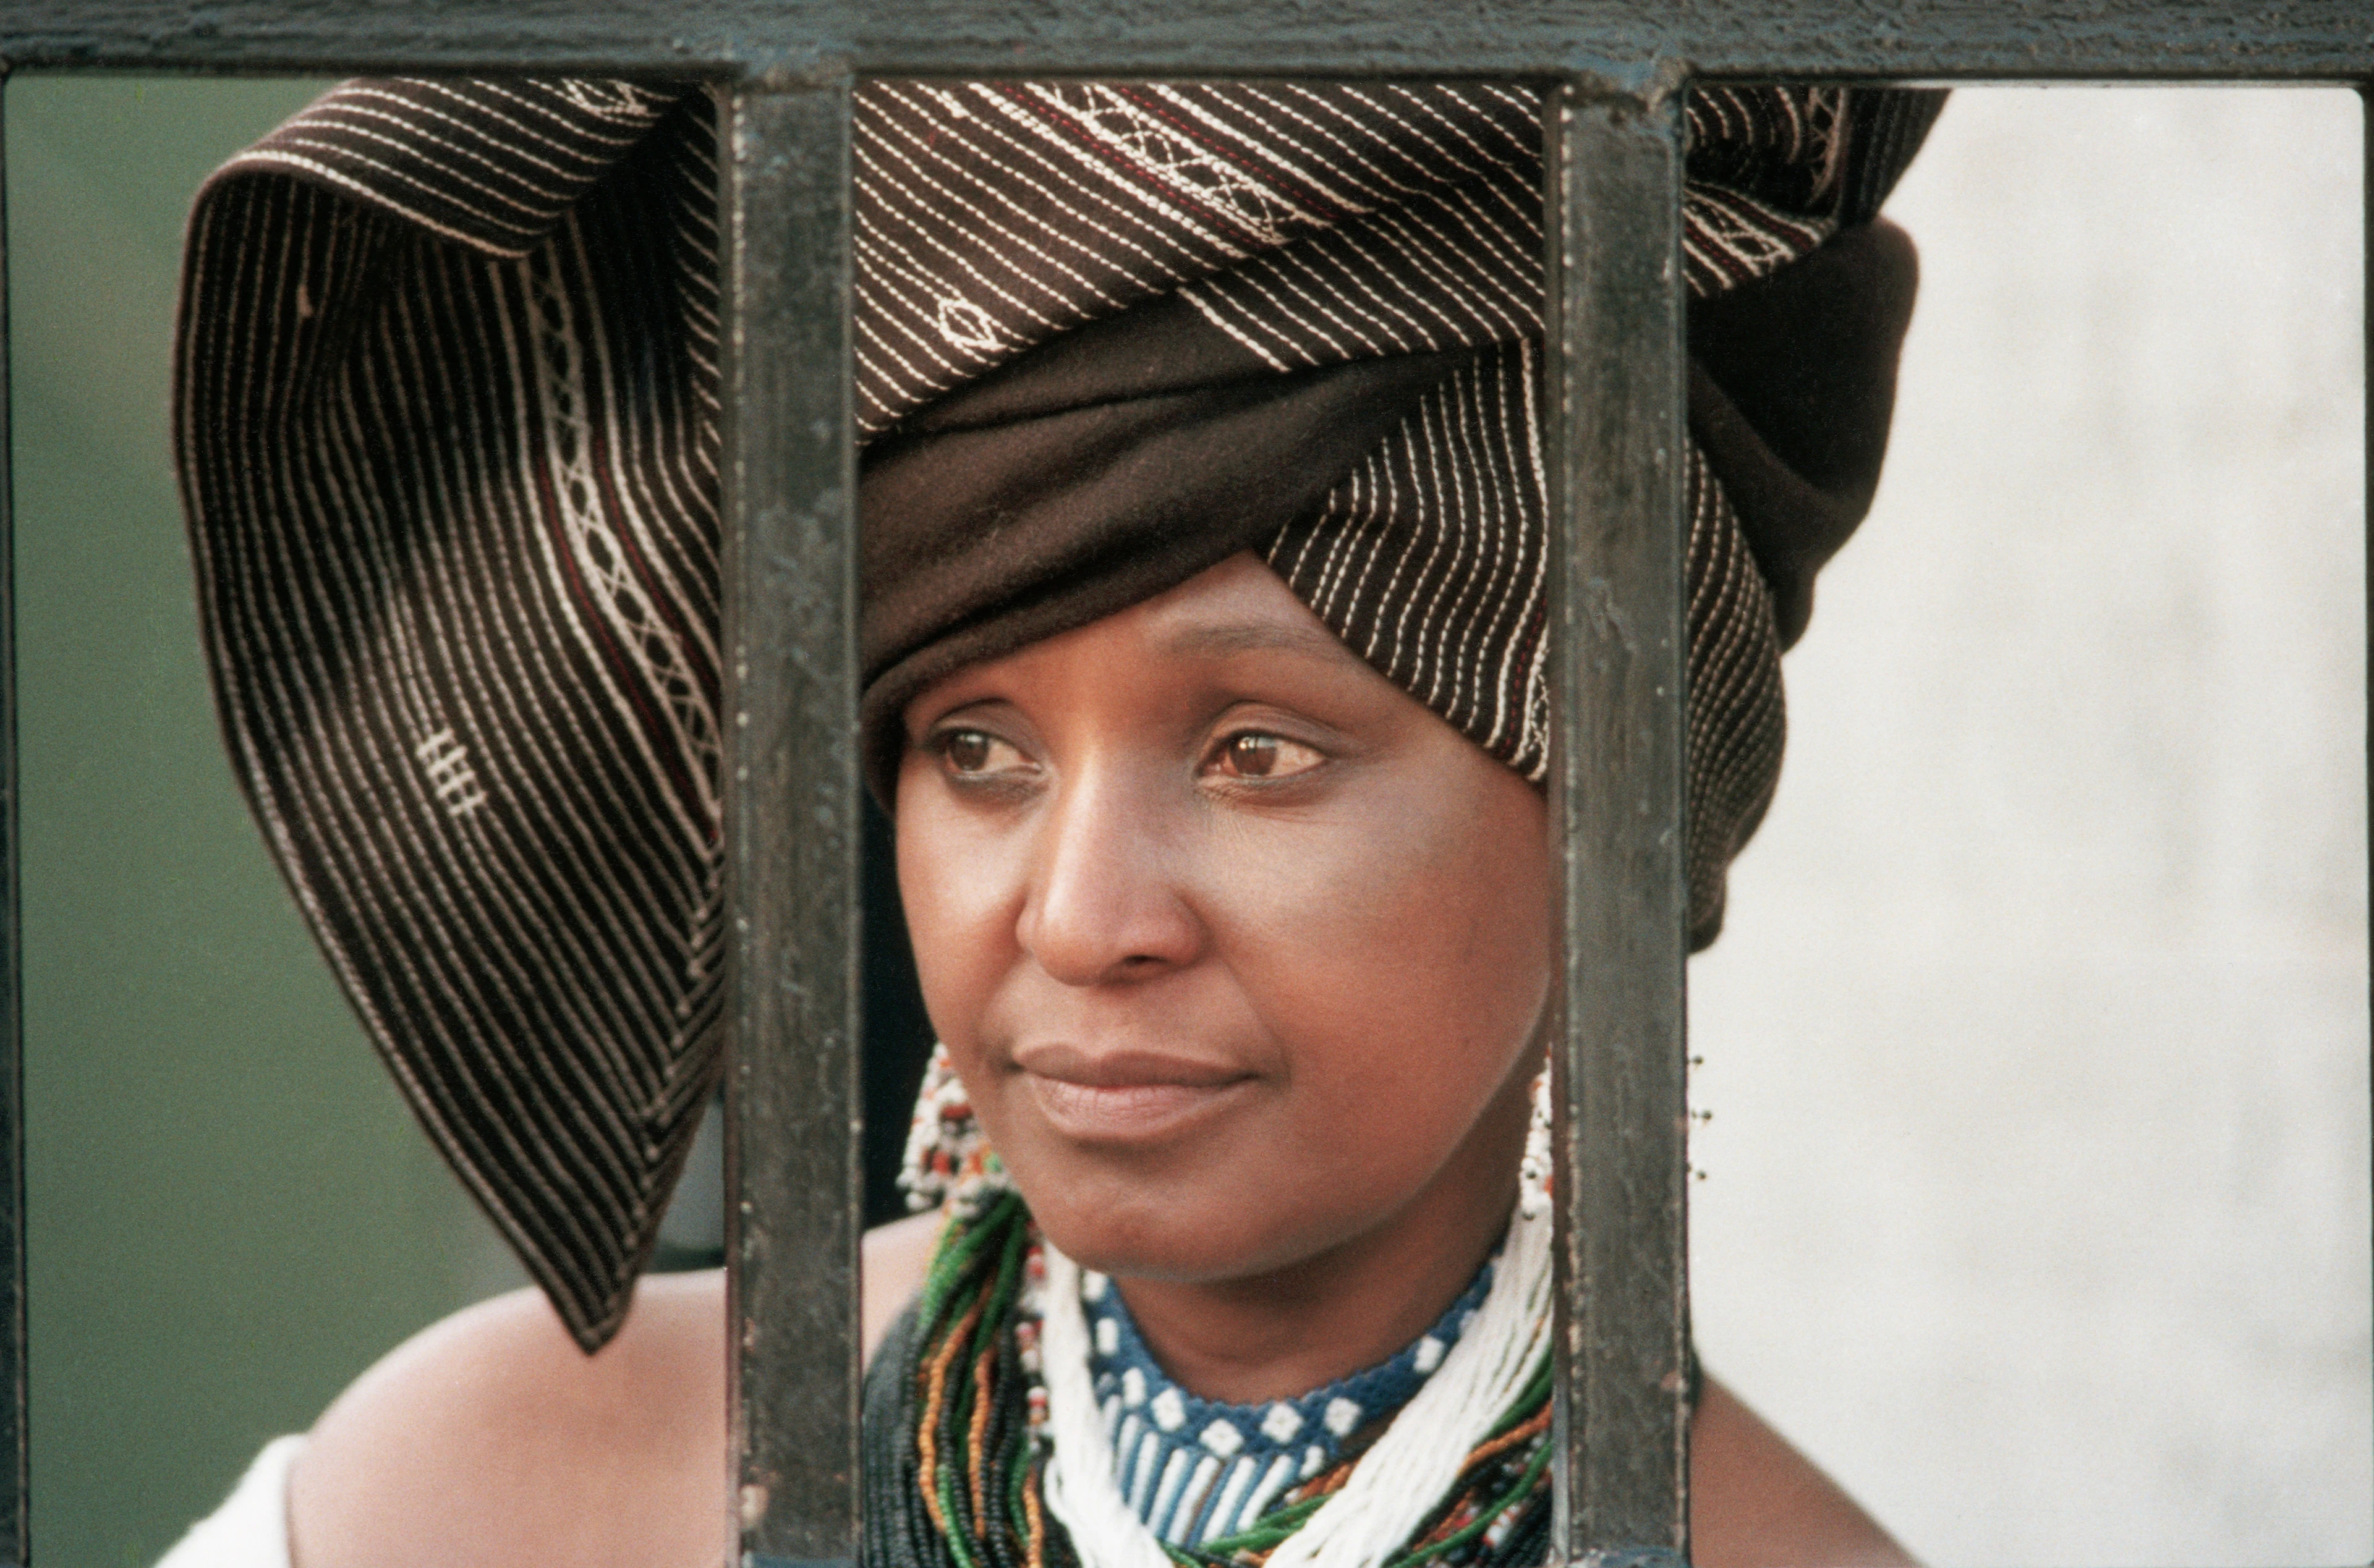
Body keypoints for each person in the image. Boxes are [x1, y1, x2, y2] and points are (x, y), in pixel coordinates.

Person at [158, 76, 1942, 1568]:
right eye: (980, 752)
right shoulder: (491, 1502)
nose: (1081, 919)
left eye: (1258, 751)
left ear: (1614, 819)